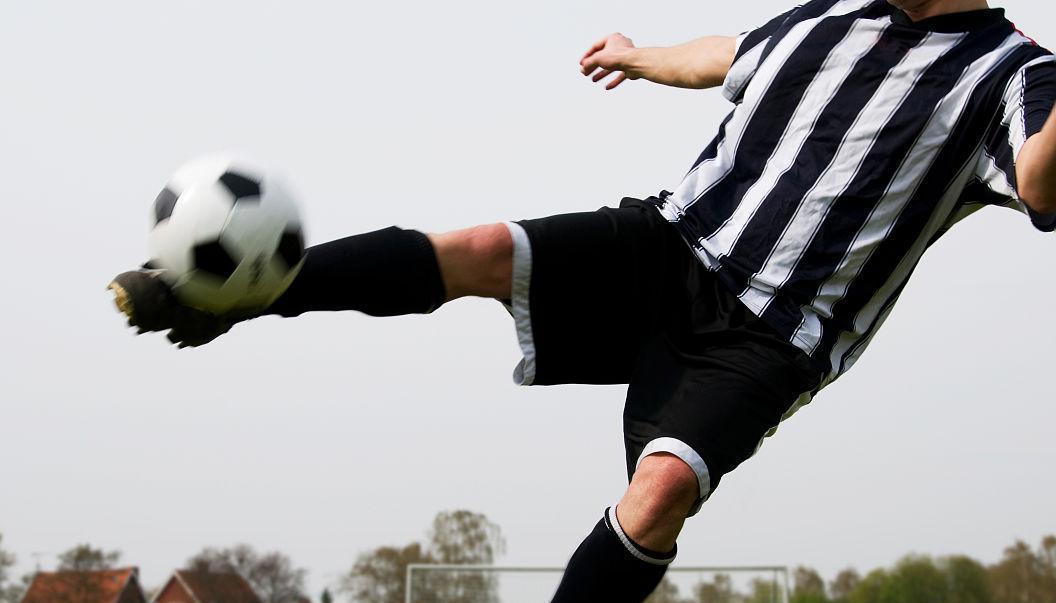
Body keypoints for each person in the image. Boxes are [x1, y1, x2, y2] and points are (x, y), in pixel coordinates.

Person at [108, 0, 1056, 600]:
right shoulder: (826, 17)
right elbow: (729, 55)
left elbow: (1042, 182)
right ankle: (215, 299)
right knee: (479, 247)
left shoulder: (1014, 72)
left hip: (766, 337)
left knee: (659, 494)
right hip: (665, 241)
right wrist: (643, 56)